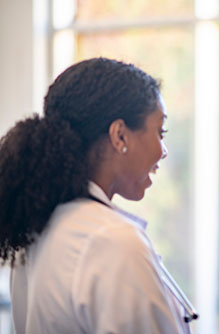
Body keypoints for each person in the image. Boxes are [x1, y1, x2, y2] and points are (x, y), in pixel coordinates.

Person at [0, 57, 197, 333]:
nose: (163, 150)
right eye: (159, 132)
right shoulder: (112, 241)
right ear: (120, 136)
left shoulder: (37, 231)